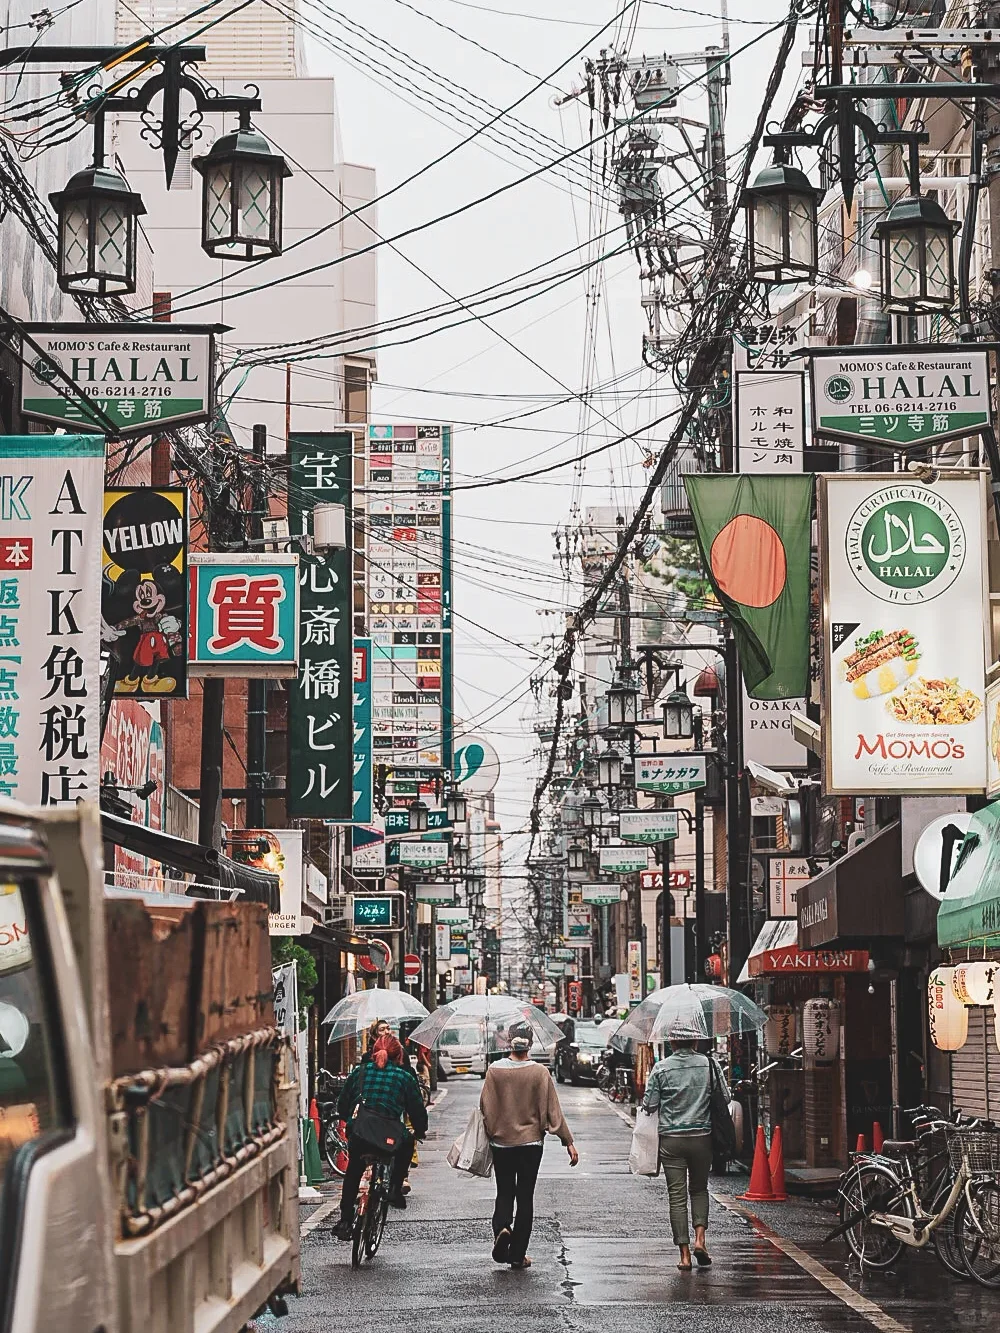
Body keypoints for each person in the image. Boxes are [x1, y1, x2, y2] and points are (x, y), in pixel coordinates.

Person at [479, 1021, 579, 1269]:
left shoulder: (495, 1071)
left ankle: (502, 1227)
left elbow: (486, 1109)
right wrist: (568, 1141)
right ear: (531, 1043)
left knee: (504, 1191)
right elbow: (552, 1111)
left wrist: (494, 1132)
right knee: (525, 1196)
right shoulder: (540, 1072)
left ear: (508, 1040)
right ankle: (517, 1254)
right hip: (531, 1143)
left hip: (501, 1143)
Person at [642, 1025, 727, 1271]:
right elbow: (726, 1097)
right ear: (695, 1042)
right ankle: (701, 1239)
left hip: (671, 1140)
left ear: (672, 1044)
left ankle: (685, 1255)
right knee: (699, 1189)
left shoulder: (661, 1068)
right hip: (702, 1137)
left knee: (676, 1197)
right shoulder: (709, 1064)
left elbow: (649, 1104)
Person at [333, 1033, 428, 1239]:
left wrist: (348, 1118)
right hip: (389, 1138)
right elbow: (417, 1112)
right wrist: (420, 1131)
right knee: (407, 1142)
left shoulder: (359, 1072)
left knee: (354, 1172)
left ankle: (345, 1220)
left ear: (374, 1052)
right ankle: (394, 1187)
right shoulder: (404, 1077)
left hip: (360, 1133)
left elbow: (342, 1105)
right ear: (399, 1056)